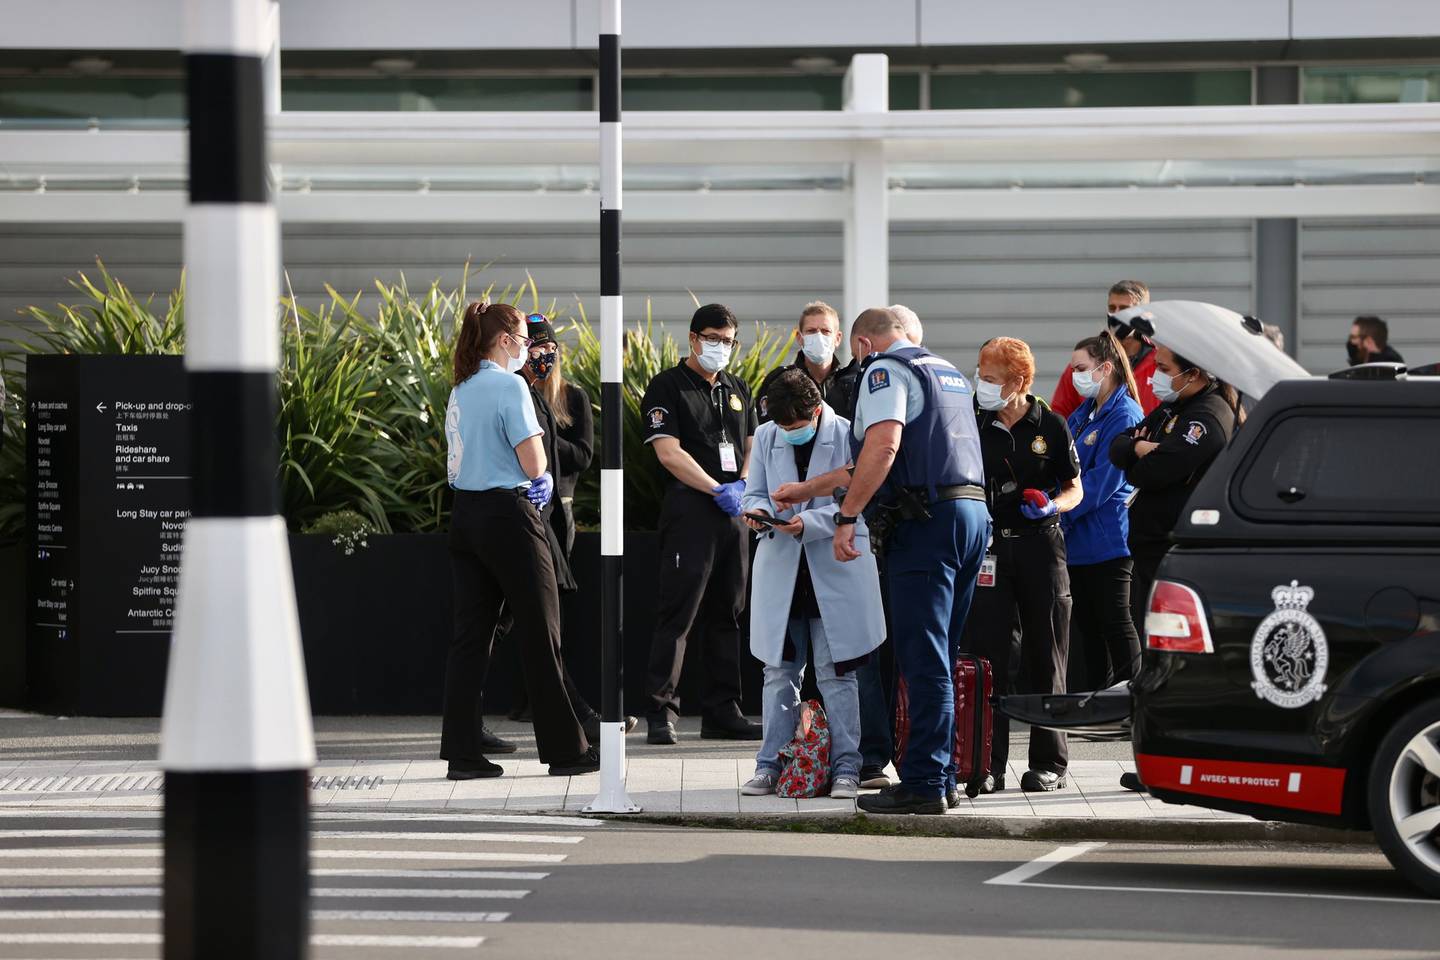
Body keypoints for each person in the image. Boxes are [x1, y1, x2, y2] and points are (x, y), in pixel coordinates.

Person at [775, 307, 989, 814]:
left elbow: (883, 445)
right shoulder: (947, 373)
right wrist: (809, 489)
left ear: (864, 345)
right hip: (970, 515)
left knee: (922, 659)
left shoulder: (884, 369)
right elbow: (868, 460)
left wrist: (847, 516)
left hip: (925, 524)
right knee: (942, 651)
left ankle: (924, 782)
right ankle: (942, 775)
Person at [439, 300, 598, 780]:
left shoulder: (461, 387)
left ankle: (462, 753)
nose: (530, 352)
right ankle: (566, 751)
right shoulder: (511, 387)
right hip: (510, 515)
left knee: (471, 637)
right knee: (540, 631)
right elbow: (535, 463)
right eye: (525, 342)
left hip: (465, 516)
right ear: (506, 340)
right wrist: (543, 475)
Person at [739, 369, 885, 800]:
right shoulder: (766, 436)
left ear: (817, 410)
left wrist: (809, 522)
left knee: (836, 672)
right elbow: (754, 493)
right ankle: (770, 765)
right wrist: (758, 512)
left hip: (833, 565)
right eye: (783, 427)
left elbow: (857, 497)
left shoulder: (847, 434)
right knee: (779, 671)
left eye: (796, 427)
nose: (788, 433)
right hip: (783, 566)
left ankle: (846, 768)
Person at [1109, 340, 1244, 792]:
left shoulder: (1205, 416)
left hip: (1174, 553)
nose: (1156, 375)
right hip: (1151, 549)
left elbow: (1152, 471)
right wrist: (1144, 447)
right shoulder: (1174, 411)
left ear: (1197, 373)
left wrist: (1146, 451)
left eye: (1165, 368)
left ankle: (1173, 761)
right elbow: (1118, 447)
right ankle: (1158, 760)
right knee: (1156, 659)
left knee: (1171, 661)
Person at [503, 314, 637, 742]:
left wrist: (539, 439)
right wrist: (534, 437)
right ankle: (564, 711)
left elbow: (583, 454)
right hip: (523, 509)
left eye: (548, 348)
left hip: (558, 509)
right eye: (534, 346)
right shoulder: (514, 392)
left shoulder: (569, 397)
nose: (542, 355)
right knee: (521, 617)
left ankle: (557, 708)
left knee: (543, 614)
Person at [964, 337, 1083, 793]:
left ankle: (1049, 763)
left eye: (990, 378)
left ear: (1018, 382)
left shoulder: (1050, 423)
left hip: (1040, 546)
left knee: (1046, 651)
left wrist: (1052, 505)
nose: (982, 384)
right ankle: (987, 764)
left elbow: (1076, 488)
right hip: (992, 550)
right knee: (989, 656)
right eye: (980, 374)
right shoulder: (975, 422)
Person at [640, 303, 762, 745]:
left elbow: (753, 442)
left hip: (734, 513)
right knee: (679, 611)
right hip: (692, 508)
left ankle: (722, 710)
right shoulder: (667, 386)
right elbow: (668, 451)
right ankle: (661, 710)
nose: (721, 348)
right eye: (713, 339)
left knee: (728, 612)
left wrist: (745, 483)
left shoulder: (737, 387)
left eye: (728, 341)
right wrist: (716, 488)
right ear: (693, 338)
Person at [1061, 332, 1144, 691]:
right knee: (1087, 627)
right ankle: (1094, 701)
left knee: (1115, 621)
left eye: (1081, 368)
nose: (1074, 375)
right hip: (1079, 540)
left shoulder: (1123, 413)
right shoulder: (1085, 412)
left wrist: (1058, 511)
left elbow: (1100, 482)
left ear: (1105, 368)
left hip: (1107, 538)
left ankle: (1131, 700)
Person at [1050, 280, 1160, 418]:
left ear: (1143, 314)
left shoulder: (1161, 364)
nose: (1116, 314)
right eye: (1112, 308)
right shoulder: (1087, 362)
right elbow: (1059, 414)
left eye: (1125, 309)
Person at [756, 301, 859, 424]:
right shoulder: (780, 380)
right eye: (811, 331)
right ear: (799, 337)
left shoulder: (852, 383)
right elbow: (767, 428)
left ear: (837, 338)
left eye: (825, 331)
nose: (819, 336)